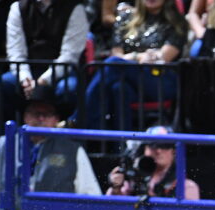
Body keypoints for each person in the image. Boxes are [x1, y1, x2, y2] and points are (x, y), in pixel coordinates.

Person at [78, 0, 186, 130]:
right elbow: (116, 53)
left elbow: (163, 57)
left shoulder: (177, 23)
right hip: (128, 78)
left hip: (159, 79)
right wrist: (140, 57)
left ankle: (79, 121)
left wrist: (130, 57)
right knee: (119, 88)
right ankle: (121, 145)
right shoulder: (125, 18)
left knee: (113, 65)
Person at [0, 84, 102, 198]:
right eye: (35, 113)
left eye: (47, 114)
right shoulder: (5, 145)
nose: (41, 118)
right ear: (25, 116)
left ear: (56, 119)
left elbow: (91, 195)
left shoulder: (73, 151)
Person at [0, 0, 87, 124]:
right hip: (28, 70)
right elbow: (16, 51)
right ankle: (13, 136)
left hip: (63, 71)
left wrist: (43, 81)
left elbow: (69, 55)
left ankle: (62, 139)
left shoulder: (75, 8)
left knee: (69, 90)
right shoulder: (18, 7)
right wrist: (25, 78)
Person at [106, 124, 200, 198]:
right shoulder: (133, 180)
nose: (158, 151)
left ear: (173, 152)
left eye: (165, 146)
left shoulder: (186, 187)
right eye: (153, 145)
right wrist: (116, 188)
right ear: (145, 149)